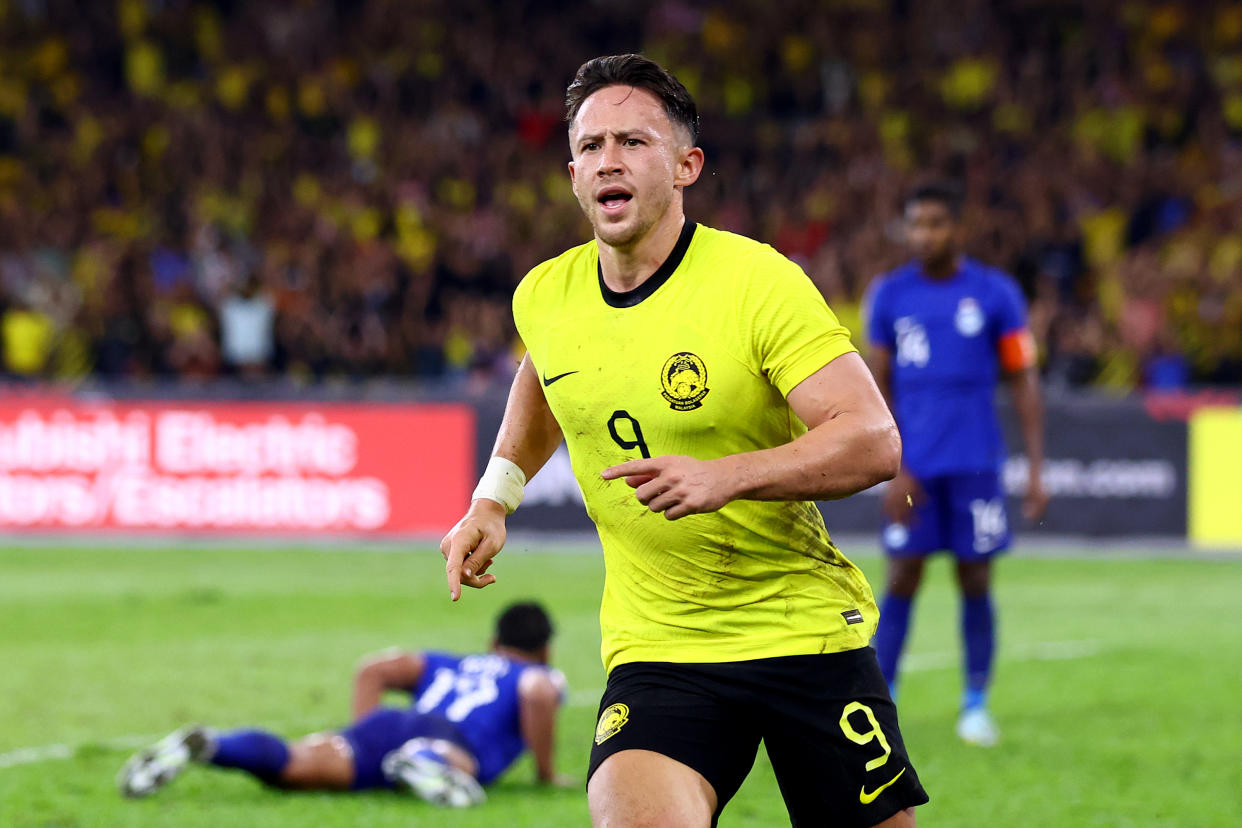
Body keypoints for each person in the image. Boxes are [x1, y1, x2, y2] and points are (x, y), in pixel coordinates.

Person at [441, 54, 928, 828]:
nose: (609, 160)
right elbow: (545, 380)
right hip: (660, 650)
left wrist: (728, 476)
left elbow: (872, 440)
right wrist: (494, 498)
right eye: (592, 146)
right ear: (572, 174)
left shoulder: (756, 282)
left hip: (799, 630)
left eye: (633, 142)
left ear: (685, 165)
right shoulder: (546, 295)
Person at [865, 182, 1048, 748]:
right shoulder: (890, 295)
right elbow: (877, 387)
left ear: (957, 230)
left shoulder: (995, 293)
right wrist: (892, 465)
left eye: (936, 224)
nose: (925, 235)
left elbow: (1021, 380)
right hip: (914, 467)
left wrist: (1037, 466)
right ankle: (880, 703)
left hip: (976, 464)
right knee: (902, 576)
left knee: (975, 578)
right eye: (916, 225)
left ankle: (975, 705)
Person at [118, 602, 567, 806]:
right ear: (545, 651)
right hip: (446, 739)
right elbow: (538, 694)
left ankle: (214, 745)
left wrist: (365, 734)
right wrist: (545, 775)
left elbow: (374, 668)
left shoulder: (450, 663)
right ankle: (423, 763)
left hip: (387, 724)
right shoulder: (539, 675)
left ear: (492, 643)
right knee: (462, 761)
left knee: (293, 769)